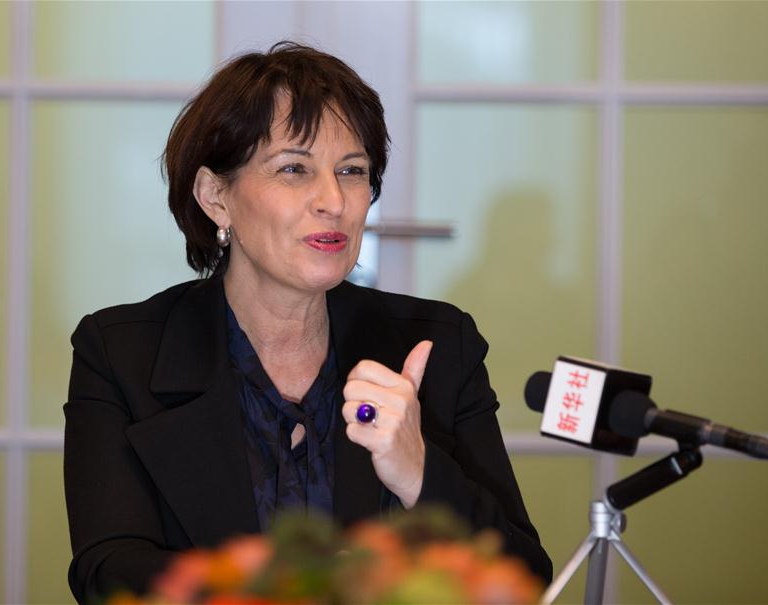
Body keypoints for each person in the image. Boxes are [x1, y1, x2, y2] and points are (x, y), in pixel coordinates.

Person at [64, 41, 552, 603]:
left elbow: (526, 579)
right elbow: (108, 573)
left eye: (353, 171)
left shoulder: (437, 344)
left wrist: (420, 473)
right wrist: (300, 586)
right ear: (214, 196)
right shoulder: (121, 353)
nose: (334, 200)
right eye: (294, 169)